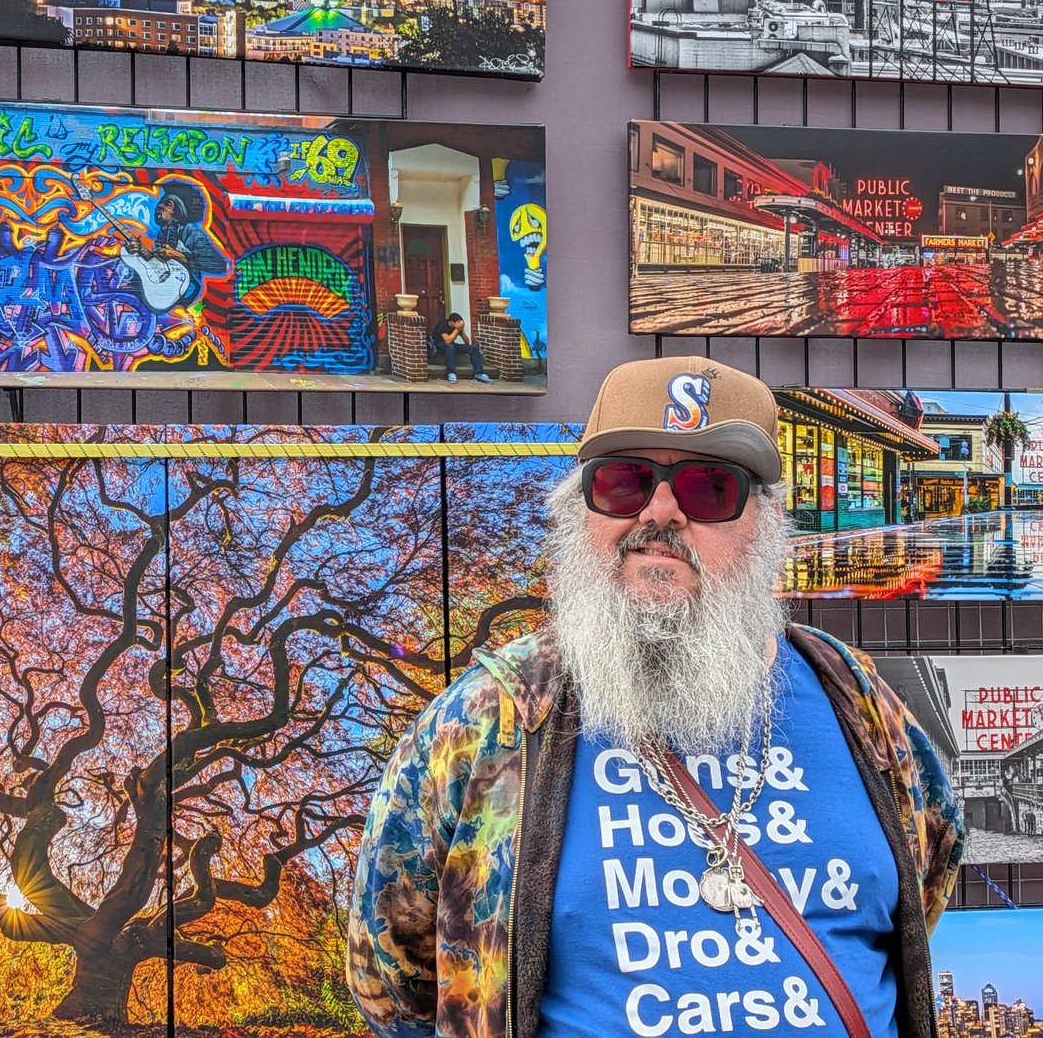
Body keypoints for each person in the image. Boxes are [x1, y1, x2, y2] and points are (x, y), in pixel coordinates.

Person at [347, 355, 963, 1038]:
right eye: (624, 482)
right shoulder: (487, 720)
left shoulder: (862, 702)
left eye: (708, 487)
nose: (660, 511)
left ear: (766, 524)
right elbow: (392, 980)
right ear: (581, 511)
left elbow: (928, 875)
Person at [432, 312, 493, 383]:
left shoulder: (458, 328)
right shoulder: (443, 324)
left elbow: (467, 342)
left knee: (473, 347)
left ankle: (479, 373)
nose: (459, 325)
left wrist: (462, 330)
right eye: (457, 323)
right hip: (440, 346)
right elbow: (447, 341)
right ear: (451, 322)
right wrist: (457, 330)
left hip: (452, 345)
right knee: (450, 348)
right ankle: (451, 373)